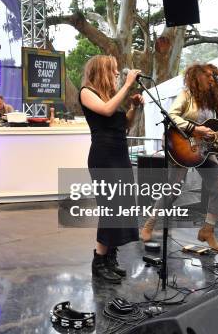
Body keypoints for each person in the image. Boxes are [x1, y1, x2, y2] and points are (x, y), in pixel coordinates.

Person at [140, 63, 218, 252]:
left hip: (204, 151)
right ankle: (149, 223)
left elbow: (213, 134)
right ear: (197, 77)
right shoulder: (186, 94)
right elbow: (172, 116)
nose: (212, 79)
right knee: (173, 191)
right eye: (209, 76)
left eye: (214, 76)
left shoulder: (210, 102)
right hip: (182, 147)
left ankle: (207, 231)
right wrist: (195, 129)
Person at [79, 55, 144, 284]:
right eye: (114, 70)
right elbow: (106, 112)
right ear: (103, 70)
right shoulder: (87, 92)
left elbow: (124, 125)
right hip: (104, 157)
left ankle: (110, 259)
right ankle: (99, 261)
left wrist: (134, 107)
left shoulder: (110, 97)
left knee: (121, 208)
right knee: (110, 209)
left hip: (120, 154)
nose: (118, 74)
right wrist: (127, 85)